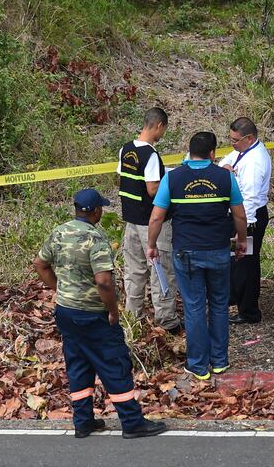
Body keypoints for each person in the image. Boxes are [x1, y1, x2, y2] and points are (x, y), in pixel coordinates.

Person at [34, 189, 168, 439]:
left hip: (66, 311)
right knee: (113, 362)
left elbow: (40, 264)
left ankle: (83, 421)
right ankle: (131, 422)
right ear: (96, 211)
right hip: (93, 314)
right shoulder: (96, 239)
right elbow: (104, 282)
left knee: (78, 364)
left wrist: (61, 290)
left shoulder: (59, 232)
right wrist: (113, 312)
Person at [146, 132, 247, 381]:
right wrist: (242, 241)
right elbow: (240, 215)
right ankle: (220, 361)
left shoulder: (172, 178)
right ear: (213, 154)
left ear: (189, 151)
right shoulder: (226, 177)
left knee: (194, 307)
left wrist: (151, 244)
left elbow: (157, 216)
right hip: (218, 250)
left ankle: (198, 366)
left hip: (186, 252)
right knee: (219, 305)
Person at [117, 107, 180, 331]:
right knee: (160, 271)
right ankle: (166, 320)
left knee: (134, 271)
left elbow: (124, 178)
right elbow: (153, 189)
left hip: (131, 220)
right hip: (152, 223)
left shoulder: (125, 149)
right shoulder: (151, 155)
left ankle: (133, 317)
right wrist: (171, 181)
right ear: (159, 126)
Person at [220, 117, 271, 325]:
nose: (232, 143)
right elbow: (226, 160)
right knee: (238, 260)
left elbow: (249, 198)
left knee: (246, 263)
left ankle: (249, 311)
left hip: (249, 218)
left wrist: (243, 230)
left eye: (235, 140)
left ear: (249, 138)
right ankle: (238, 298)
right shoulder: (244, 151)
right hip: (241, 216)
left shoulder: (254, 162)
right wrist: (225, 167)